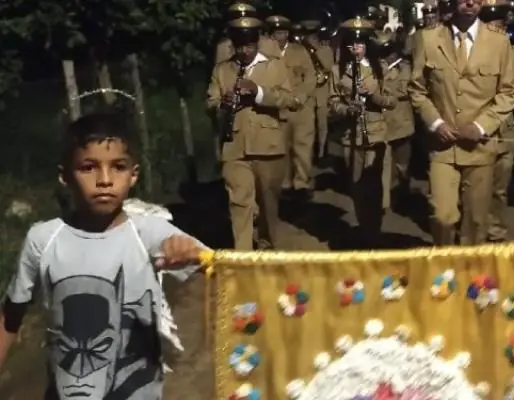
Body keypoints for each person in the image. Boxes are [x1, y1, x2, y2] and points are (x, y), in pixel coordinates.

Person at [0, 113, 206, 398]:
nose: (105, 180)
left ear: (134, 174)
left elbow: (225, 272)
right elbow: (11, 315)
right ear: (65, 176)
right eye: (88, 167)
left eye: (118, 167)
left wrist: (189, 253)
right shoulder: (43, 240)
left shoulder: (150, 233)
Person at [409, 0, 514, 246]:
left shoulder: (499, 42)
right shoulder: (428, 39)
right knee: (443, 216)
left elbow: (509, 91)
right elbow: (417, 89)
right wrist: (436, 123)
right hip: (443, 147)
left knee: (476, 222)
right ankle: (444, 265)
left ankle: (470, 274)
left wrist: (482, 126)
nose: (470, 2)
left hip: (480, 147)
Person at [207, 16, 303, 250]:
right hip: (234, 146)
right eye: (239, 47)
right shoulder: (222, 70)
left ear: (256, 43)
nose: (244, 52)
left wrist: (259, 92)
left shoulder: (274, 65)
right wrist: (223, 104)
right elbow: (210, 102)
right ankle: (244, 256)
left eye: (248, 46)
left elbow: (292, 100)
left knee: (268, 206)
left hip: (269, 146)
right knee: (239, 202)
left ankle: (267, 245)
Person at [329, 17, 398, 247]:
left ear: (367, 45)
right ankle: (366, 232)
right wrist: (348, 109)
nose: (354, 49)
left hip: (376, 134)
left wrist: (373, 95)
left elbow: (392, 101)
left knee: (376, 189)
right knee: (358, 189)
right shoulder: (337, 71)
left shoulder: (380, 69)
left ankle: (374, 230)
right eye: (350, 45)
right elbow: (332, 103)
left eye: (358, 45)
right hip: (352, 137)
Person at [480, 0, 514, 243]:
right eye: (489, 24)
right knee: (475, 185)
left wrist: (506, 95)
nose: (494, 29)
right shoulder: (469, 54)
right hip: (476, 127)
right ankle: (473, 228)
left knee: (499, 186)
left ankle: (495, 229)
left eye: (498, 24)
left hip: (504, 128)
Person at [268, 15, 317, 202]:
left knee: (302, 148)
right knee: (281, 148)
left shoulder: (299, 51)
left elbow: (310, 77)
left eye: (281, 32)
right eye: (274, 33)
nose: (278, 37)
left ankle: (302, 184)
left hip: (300, 109)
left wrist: (301, 97)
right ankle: (285, 184)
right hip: (278, 108)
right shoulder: (266, 54)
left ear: (287, 34)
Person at [374, 31, 415, 205]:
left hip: (401, 123)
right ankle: (386, 197)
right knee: (384, 163)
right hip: (382, 123)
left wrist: (384, 79)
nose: (386, 56)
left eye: (388, 52)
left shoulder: (404, 68)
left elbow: (404, 90)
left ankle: (403, 191)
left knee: (402, 164)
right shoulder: (375, 68)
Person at [299, 18, 336, 160]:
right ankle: (308, 153)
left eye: (312, 35)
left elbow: (329, 67)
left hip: (322, 91)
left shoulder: (325, 49)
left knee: (322, 124)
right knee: (307, 125)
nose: (310, 39)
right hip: (307, 92)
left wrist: (317, 51)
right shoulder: (299, 50)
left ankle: (321, 152)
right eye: (308, 35)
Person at [214, 2, 281, 64]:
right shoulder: (223, 47)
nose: (242, 24)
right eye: (237, 21)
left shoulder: (270, 43)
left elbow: (278, 70)